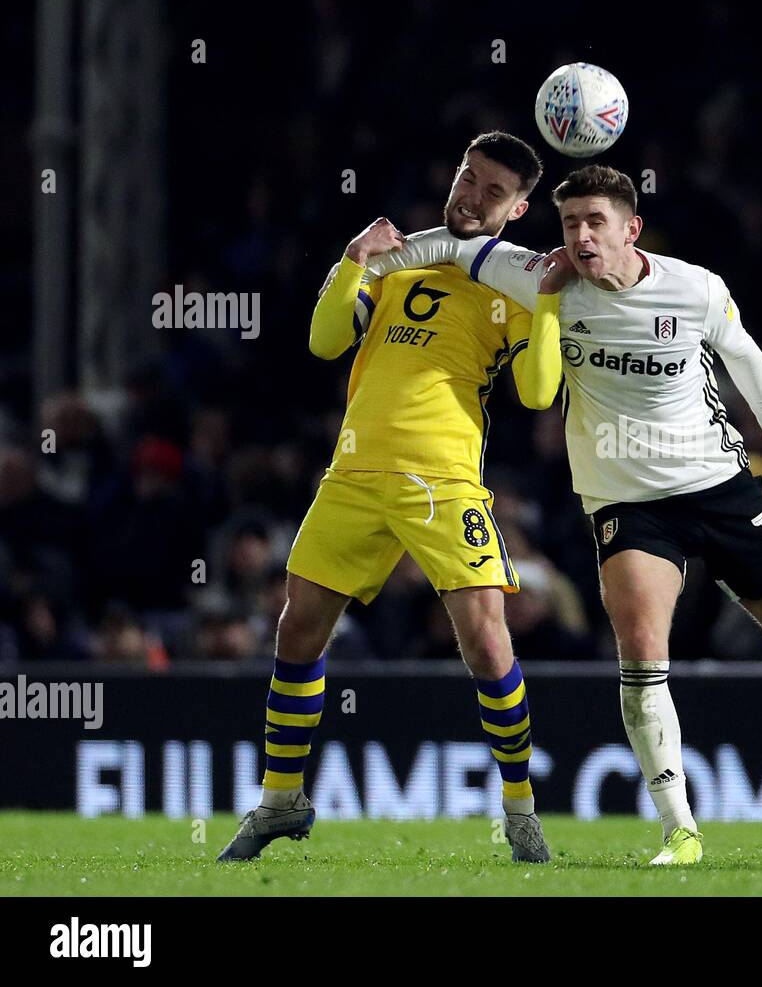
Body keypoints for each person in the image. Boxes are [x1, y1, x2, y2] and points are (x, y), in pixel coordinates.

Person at [364, 165, 762, 865]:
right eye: (570, 222)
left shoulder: (692, 286)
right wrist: (373, 255)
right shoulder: (540, 277)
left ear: (631, 229)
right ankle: (681, 829)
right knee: (641, 654)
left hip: (718, 485)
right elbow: (454, 247)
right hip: (628, 502)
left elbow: (744, 353)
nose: (580, 237)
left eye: (595, 222)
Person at [217, 132, 560, 863]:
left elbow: (537, 392)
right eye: (468, 177)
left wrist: (552, 306)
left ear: (519, 208)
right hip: (352, 472)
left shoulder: (516, 289)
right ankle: (281, 800)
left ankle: (521, 810)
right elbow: (322, 340)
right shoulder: (402, 261)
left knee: (486, 639)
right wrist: (352, 261)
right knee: (296, 629)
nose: (471, 195)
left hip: (442, 481)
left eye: (492, 191)